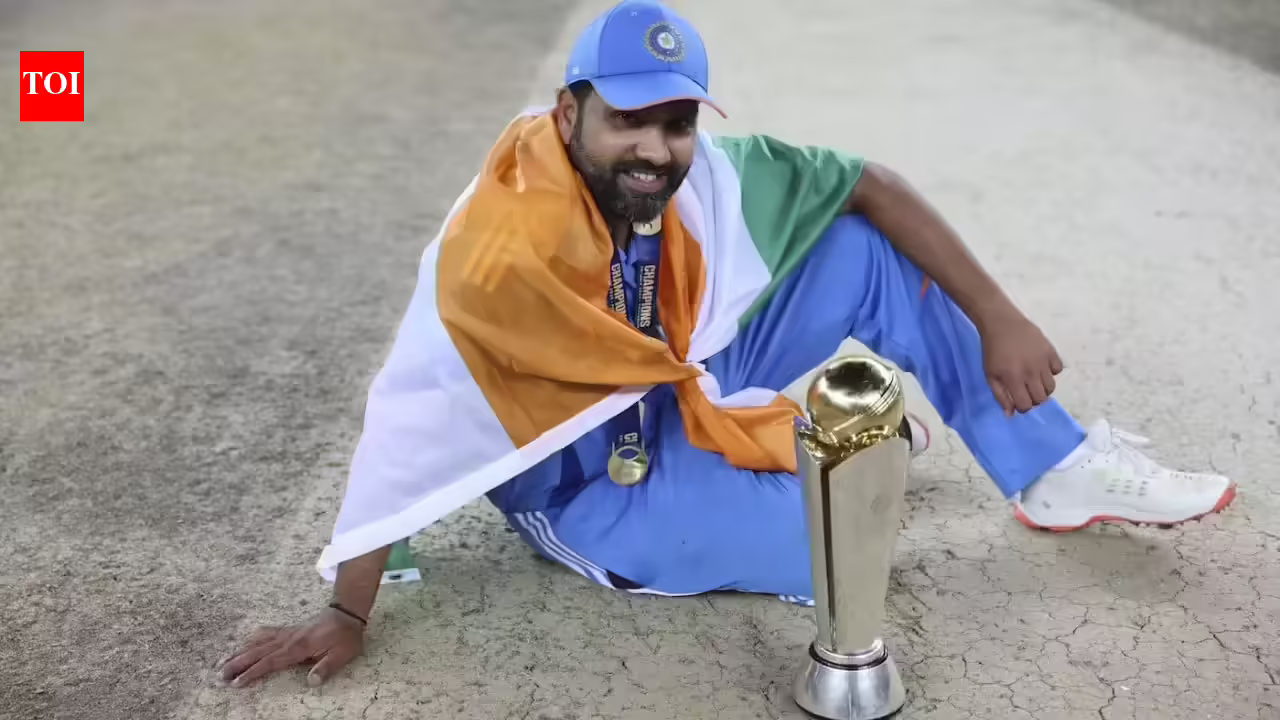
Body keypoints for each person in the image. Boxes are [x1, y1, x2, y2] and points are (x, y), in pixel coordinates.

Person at [218, 0, 1235, 690]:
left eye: (676, 123)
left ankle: (1050, 467)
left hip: (677, 372)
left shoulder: (690, 174)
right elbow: (413, 412)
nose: (655, 149)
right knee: (838, 549)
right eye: (628, 120)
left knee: (859, 247)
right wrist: (349, 609)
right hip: (586, 474)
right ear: (568, 113)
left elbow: (867, 181)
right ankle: (816, 448)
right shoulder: (498, 252)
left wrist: (999, 313)